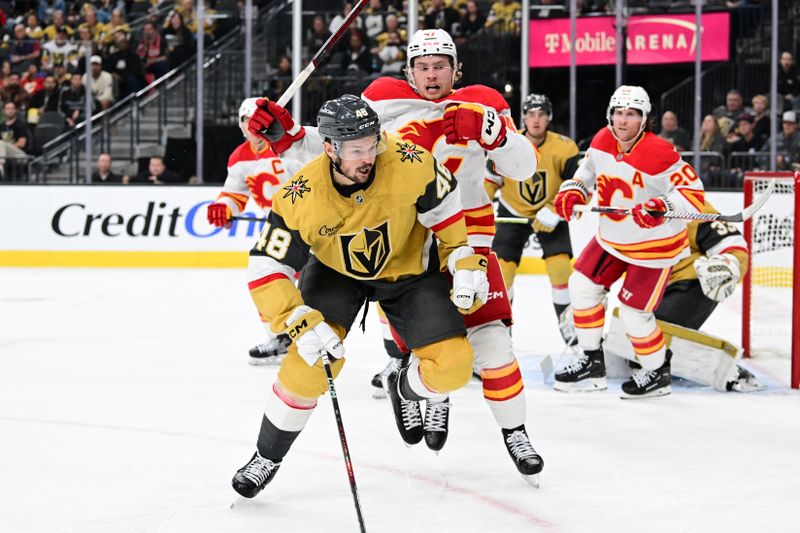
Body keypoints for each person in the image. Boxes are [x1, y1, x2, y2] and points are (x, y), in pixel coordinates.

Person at [231, 95, 487, 498]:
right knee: (310, 365)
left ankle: (401, 386)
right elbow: (266, 267)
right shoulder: (299, 196)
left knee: (454, 366)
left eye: (373, 143)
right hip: (336, 274)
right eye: (356, 150)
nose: (368, 155)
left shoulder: (411, 161)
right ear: (329, 147)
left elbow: (447, 212)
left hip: (408, 269)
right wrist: (297, 320)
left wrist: (463, 259)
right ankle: (267, 456)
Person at [358, 28, 542, 481]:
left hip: (471, 238)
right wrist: (284, 134)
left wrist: (494, 133)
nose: (432, 74)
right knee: (429, 342)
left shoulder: (481, 100)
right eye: (423, 66)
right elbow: (344, 155)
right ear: (408, 71)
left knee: (494, 343)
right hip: (408, 240)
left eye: (441, 65)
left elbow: (524, 168)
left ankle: (514, 431)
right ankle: (424, 391)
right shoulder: (381, 98)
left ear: (456, 69)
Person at [552, 85, 705, 399]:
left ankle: (657, 371)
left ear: (645, 119)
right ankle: (593, 362)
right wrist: (574, 189)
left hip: (653, 246)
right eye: (619, 113)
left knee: (634, 314)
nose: (623, 120)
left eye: (632, 114)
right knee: (581, 286)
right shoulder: (601, 141)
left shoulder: (660, 152)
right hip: (612, 239)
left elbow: (693, 195)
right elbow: (588, 171)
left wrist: (663, 208)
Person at [206, 98, 304, 364]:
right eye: (246, 121)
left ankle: (315, 337)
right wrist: (223, 208)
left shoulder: (287, 146)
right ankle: (280, 337)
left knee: (311, 285)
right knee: (265, 279)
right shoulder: (239, 157)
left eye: (255, 120)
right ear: (241, 125)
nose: (251, 126)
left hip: (310, 223)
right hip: (278, 230)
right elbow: (234, 193)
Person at [485, 93, 580, 346]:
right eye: (531, 114)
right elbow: (491, 180)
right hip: (511, 210)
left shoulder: (565, 148)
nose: (536, 120)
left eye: (541, 114)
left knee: (560, 268)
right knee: (502, 273)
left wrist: (557, 209)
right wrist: (479, 204)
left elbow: (578, 185)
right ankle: (500, 333)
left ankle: (571, 330)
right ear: (523, 117)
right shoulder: (507, 144)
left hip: (549, 214)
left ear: (549, 117)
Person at [0, 101, 31, 176]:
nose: (10, 111)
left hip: (20, 155)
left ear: (16, 110)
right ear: (4, 111)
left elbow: (22, 144)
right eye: (8, 109)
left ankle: (0, 166)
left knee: (1, 143)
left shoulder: (20, 124)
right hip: (5, 154)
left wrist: (6, 147)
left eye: (12, 108)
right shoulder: (1, 126)